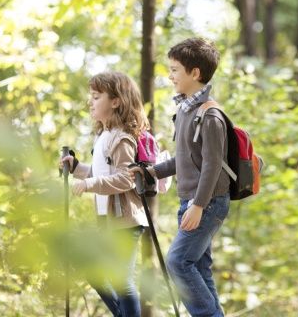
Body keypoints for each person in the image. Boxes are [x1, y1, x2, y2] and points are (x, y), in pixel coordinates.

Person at [131, 37, 230, 317]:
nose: (170, 75)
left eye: (175, 70)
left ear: (195, 73)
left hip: (207, 203)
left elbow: (212, 165)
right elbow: (185, 160)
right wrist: (151, 171)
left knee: (177, 263)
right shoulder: (185, 111)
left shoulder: (209, 115)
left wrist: (199, 205)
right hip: (192, 202)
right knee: (198, 267)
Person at [59, 71, 149, 317]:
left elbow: (125, 178)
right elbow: (101, 173)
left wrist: (90, 184)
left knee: (121, 281)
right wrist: (77, 168)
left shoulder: (121, 138)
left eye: (97, 96)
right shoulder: (103, 136)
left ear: (116, 101)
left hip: (126, 220)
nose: (91, 101)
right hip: (109, 221)